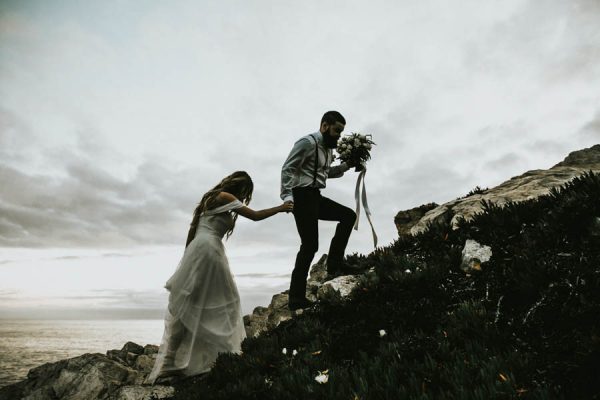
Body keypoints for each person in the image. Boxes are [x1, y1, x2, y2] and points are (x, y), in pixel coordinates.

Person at [147, 171, 293, 383]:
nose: (244, 195)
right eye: (245, 190)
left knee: (193, 302)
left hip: (202, 249)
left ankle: (173, 362)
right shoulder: (225, 197)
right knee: (225, 303)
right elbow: (255, 216)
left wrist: (188, 256)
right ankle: (212, 357)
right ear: (238, 186)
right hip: (208, 250)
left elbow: (192, 230)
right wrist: (281, 208)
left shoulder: (212, 198)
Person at [281, 111, 360, 311]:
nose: (339, 136)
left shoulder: (328, 149)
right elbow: (288, 169)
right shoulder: (307, 143)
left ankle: (335, 264)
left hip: (316, 197)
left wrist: (347, 165)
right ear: (325, 126)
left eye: (341, 132)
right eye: (336, 131)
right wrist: (287, 197)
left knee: (348, 215)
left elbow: (324, 173)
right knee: (309, 246)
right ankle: (296, 298)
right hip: (301, 197)